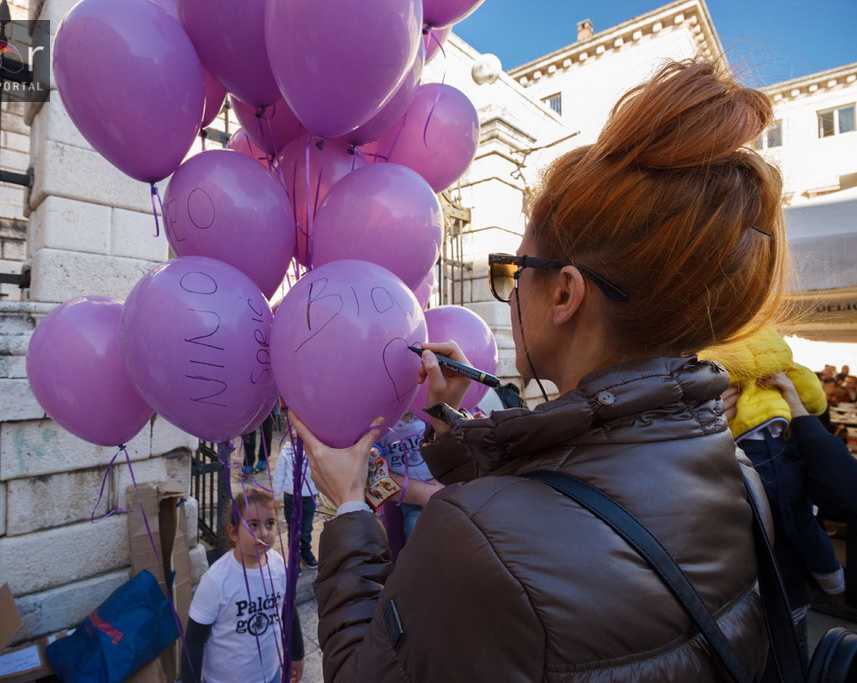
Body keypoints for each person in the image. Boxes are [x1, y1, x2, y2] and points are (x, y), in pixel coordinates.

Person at [290, 60, 787, 681]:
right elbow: (577, 482)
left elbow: (356, 672)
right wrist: (456, 422)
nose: (511, 288)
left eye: (514, 271)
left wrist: (351, 509)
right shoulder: (738, 475)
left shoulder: (475, 542)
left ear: (564, 294)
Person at [703, 328, 850, 654]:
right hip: (724, 598)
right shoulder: (706, 402)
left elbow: (845, 493)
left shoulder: (795, 410)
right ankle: (825, 571)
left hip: (774, 591)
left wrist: (798, 409)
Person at [184, 488, 305, 683]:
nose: (264, 533)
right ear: (233, 532)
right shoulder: (216, 581)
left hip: (271, 674)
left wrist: (297, 654)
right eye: (253, 525)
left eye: (270, 523)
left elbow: (288, 610)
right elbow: (194, 641)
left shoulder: (278, 565)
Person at [375, 412, 441, 538]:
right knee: (414, 524)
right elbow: (373, 480)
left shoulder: (425, 416)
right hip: (408, 500)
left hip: (438, 479)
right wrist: (374, 451)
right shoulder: (381, 426)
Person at [271, 436, 319, 570]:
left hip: (309, 496)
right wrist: (276, 496)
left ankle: (305, 551)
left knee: (307, 527)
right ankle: (293, 556)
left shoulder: (314, 449)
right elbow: (279, 474)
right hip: (291, 496)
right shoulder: (286, 452)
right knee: (293, 527)